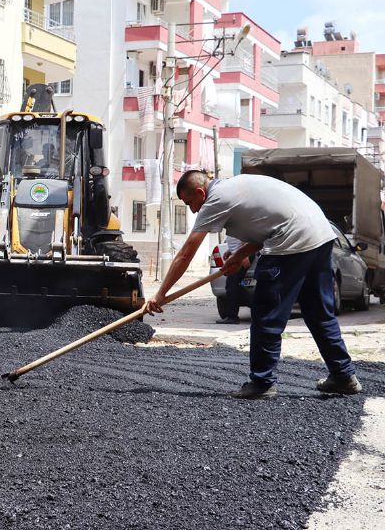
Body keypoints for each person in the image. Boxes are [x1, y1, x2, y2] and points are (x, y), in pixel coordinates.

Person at [144, 169, 362, 400]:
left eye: (191, 202)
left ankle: (262, 382)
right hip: (321, 235)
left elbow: (186, 253)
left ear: (200, 191)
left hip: (292, 241)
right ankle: (343, 376)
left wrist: (160, 294)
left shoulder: (215, 199)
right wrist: (238, 256)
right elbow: (267, 230)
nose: (193, 210)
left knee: (267, 314)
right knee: (319, 313)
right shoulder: (237, 188)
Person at [216, 235, 252, 325]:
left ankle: (232, 317)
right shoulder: (231, 223)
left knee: (232, 285)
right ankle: (232, 315)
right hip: (239, 254)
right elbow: (237, 240)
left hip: (242, 255)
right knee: (234, 285)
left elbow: (246, 234)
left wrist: (245, 255)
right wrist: (230, 251)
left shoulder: (238, 221)